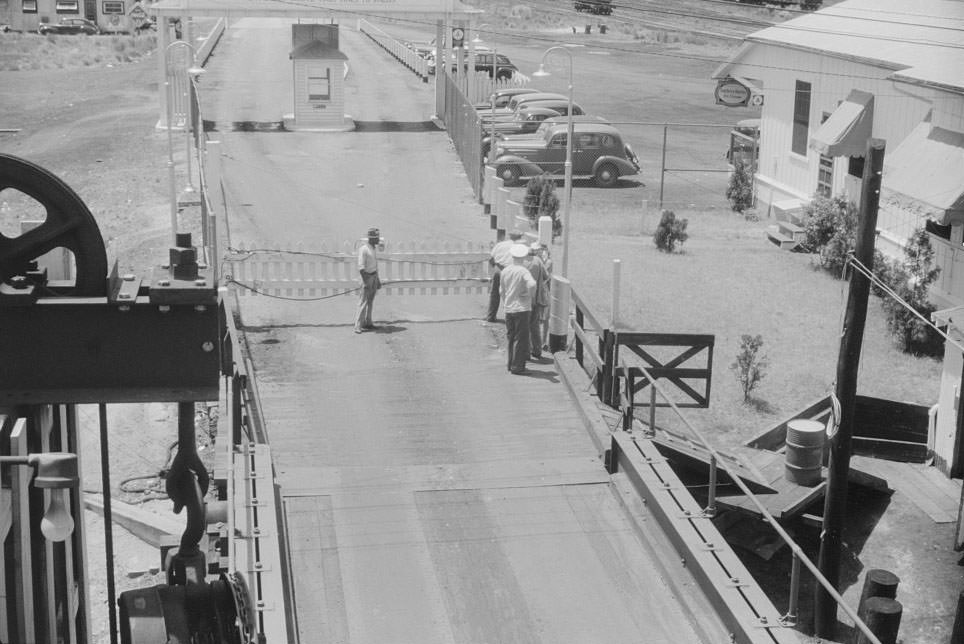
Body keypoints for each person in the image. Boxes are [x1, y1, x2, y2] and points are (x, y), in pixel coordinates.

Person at [500, 243, 536, 374]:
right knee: (521, 339)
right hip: (521, 309)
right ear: (524, 256)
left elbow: (501, 291)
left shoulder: (505, 271)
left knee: (511, 337)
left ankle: (510, 364)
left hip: (509, 308)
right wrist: (529, 295)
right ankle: (518, 367)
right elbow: (532, 284)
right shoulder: (523, 271)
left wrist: (506, 302)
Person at [485, 229, 525, 323]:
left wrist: (495, 265)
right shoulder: (520, 247)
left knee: (495, 294)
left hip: (498, 270)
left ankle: (491, 316)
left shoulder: (500, 245)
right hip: (511, 271)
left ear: (510, 236)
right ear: (519, 237)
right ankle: (511, 318)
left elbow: (491, 259)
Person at [524, 242, 551, 359]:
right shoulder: (538, 261)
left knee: (523, 326)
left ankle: (525, 351)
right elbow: (546, 276)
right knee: (534, 326)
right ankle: (537, 350)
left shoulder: (520, 262)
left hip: (522, 299)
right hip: (535, 298)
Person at [354, 227, 382, 333]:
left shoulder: (373, 249)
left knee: (370, 301)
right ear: (371, 238)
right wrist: (365, 281)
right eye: (376, 238)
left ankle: (368, 322)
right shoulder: (364, 249)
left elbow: (375, 266)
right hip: (366, 278)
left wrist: (377, 280)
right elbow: (361, 267)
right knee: (363, 301)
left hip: (374, 277)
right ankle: (358, 325)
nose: (378, 240)